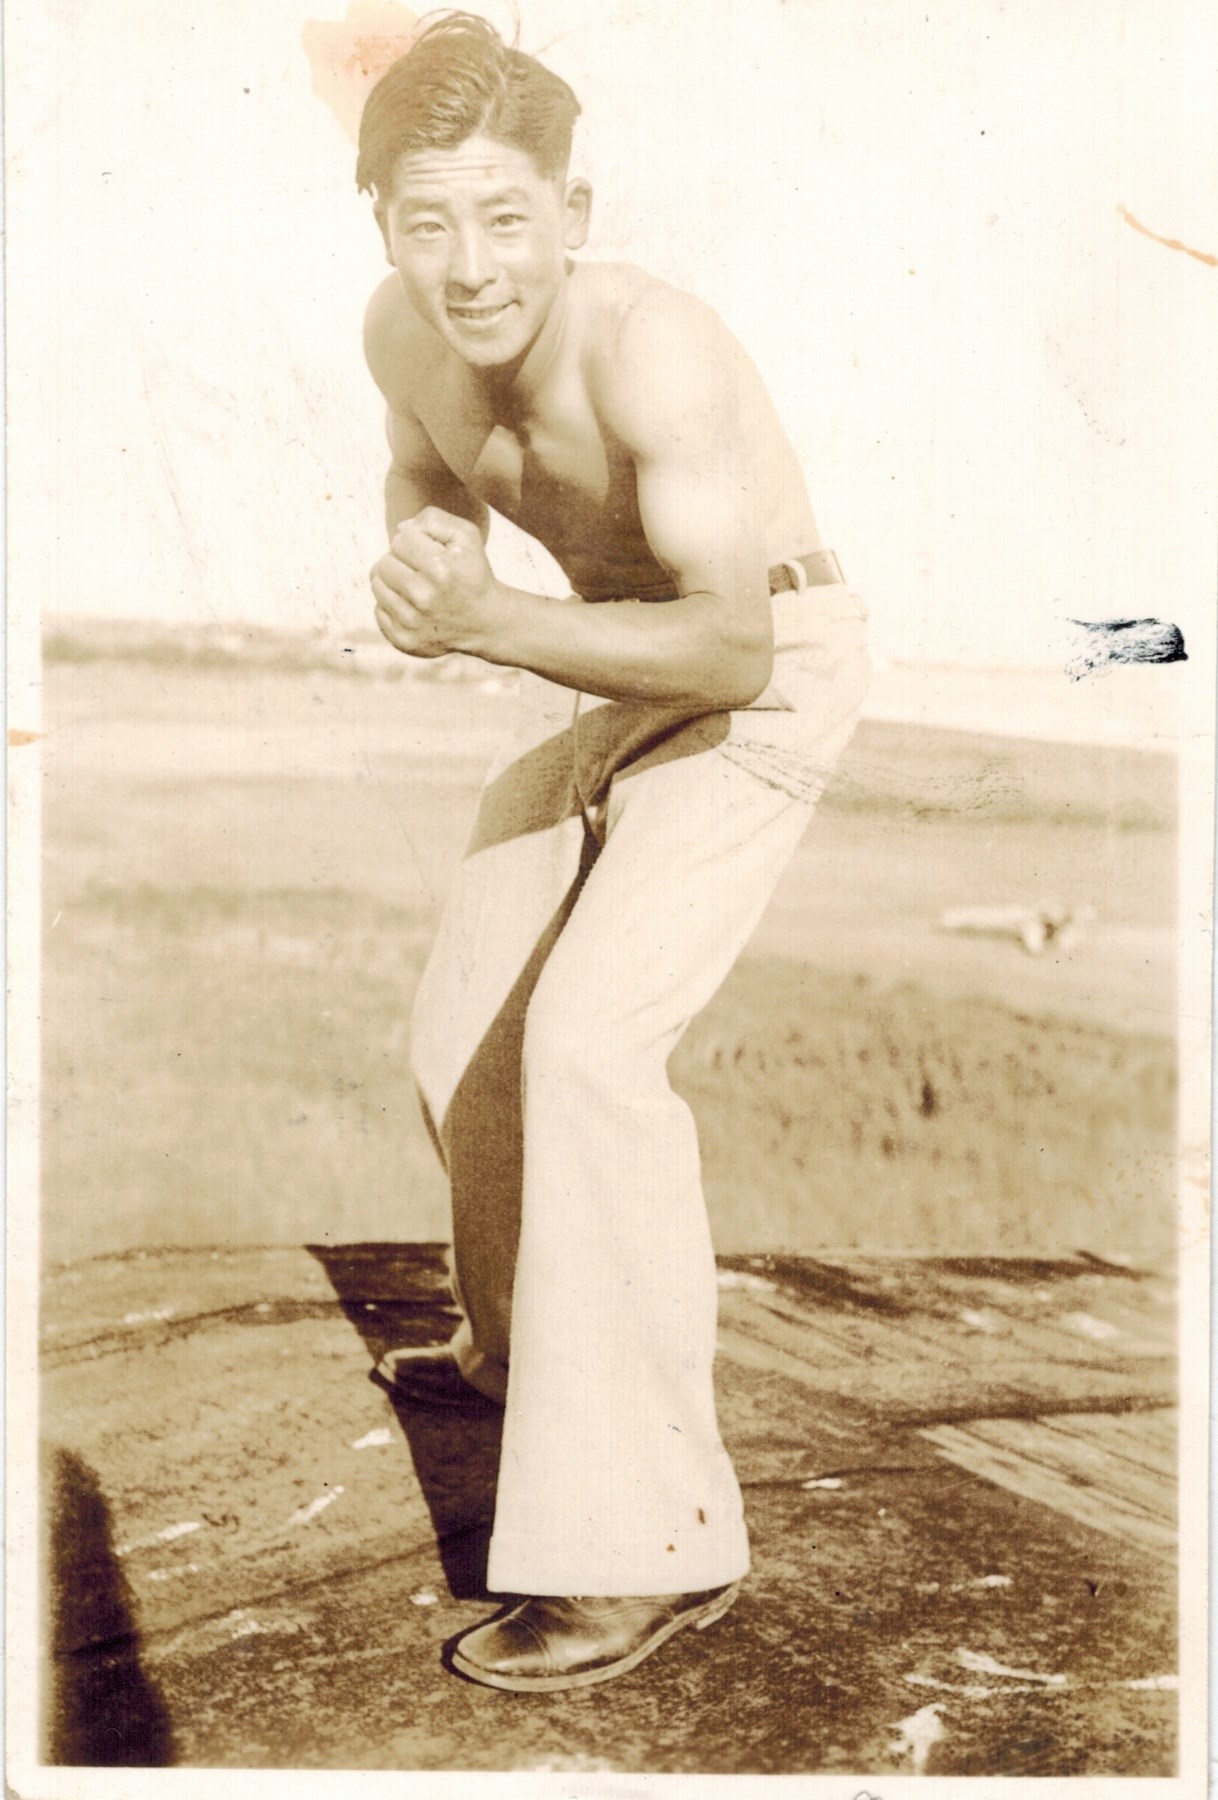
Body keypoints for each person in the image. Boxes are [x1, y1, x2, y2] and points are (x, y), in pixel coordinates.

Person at [359, 12, 870, 1692]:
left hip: (763, 668)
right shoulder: (398, 333)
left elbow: (727, 647)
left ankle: (651, 1549)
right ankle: (524, 1361)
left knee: (585, 1045)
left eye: (505, 217)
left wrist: (487, 619)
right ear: (383, 228)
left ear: (571, 213)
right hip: (611, 667)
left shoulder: (655, 349)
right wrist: (425, 557)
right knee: (465, 1026)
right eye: (427, 221)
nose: (469, 264)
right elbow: (421, 470)